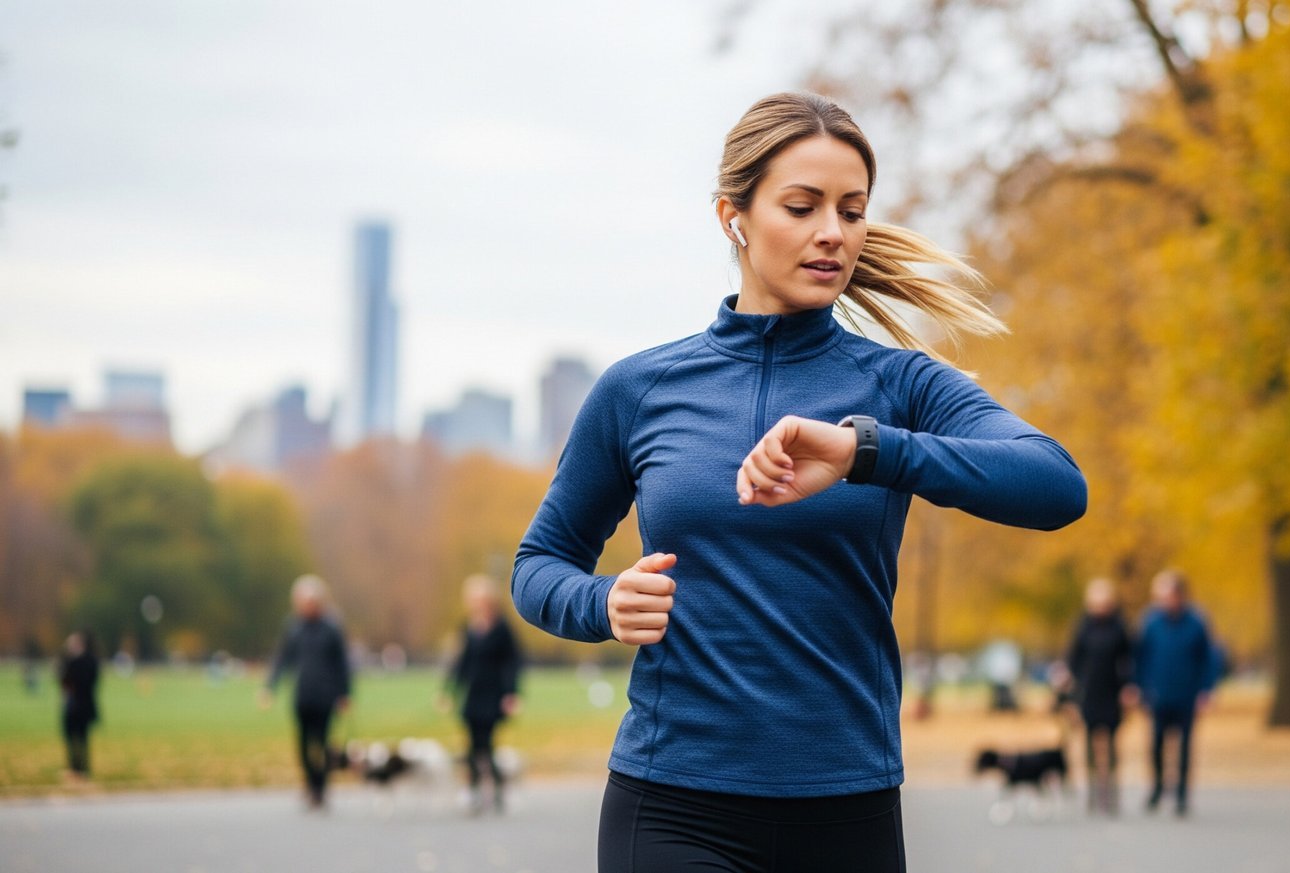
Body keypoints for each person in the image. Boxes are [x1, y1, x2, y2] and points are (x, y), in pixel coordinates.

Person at [512, 91, 1088, 873]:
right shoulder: (639, 390)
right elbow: (538, 563)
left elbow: (1056, 485)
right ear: (734, 217)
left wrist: (866, 451)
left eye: (852, 211)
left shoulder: (900, 385)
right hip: (673, 803)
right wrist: (602, 602)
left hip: (847, 809)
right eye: (802, 206)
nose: (833, 232)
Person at [260, 574, 352, 810]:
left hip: (326, 696)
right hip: (303, 695)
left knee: (322, 744)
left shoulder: (331, 627)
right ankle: (310, 785)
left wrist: (345, 694)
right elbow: (282, 658)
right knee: (302, 745)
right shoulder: (294, 627)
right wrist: (270, 686)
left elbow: (342, 663)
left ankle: (321, 789)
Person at [1134, 569, 1219, 817]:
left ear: (1180, 595)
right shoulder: (1150, 622)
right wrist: (1139, 687)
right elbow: (1140, 658)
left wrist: (1206, 690)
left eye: (1167, 595)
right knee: (1156, 745)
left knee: (1184, 747)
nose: (1163, 601)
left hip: (1187, 695)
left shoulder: (1196, 622)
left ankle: (1182, 794)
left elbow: (1208, 659)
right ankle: (1158, 788)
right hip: (1158, 695)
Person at [441, 574, 523, 814]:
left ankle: (497, 788)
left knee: (487, 745)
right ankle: (473, 790)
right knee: (470, 745)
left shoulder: (502, 627)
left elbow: (512, 663)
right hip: (473, 694)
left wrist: (511, 693)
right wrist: (449, 691)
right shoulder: (468, 626)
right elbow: (461, 663)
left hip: (493, 694)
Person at [1065, 578, 1135, 815]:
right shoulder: (1083, 626)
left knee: (1112, 743)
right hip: (1089, 691)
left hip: (1112, 691)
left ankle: (1111, 792)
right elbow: (1074, 659)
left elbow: (1128, 658)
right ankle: (1093, 791)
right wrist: (1072, 688)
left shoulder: (1119, 626)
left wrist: (1128, 687)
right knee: (1089, 743)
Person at [58, 630, 100, 783]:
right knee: (71, 738)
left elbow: (76, 682)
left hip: (80, 705)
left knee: (82, 739)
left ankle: (82, 769)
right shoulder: (72, 661)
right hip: (73, 705)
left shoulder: (86, 661)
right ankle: (74, 768)